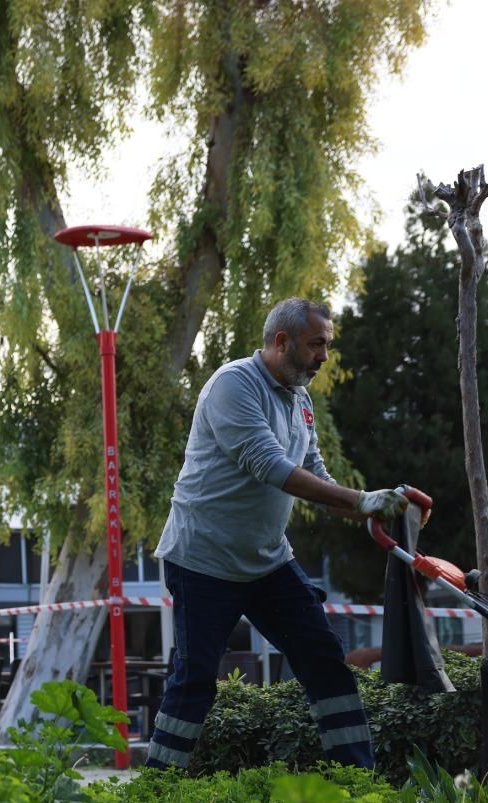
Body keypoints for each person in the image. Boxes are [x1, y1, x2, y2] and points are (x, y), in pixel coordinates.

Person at [144, 297, 410, 773]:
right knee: (197, 679)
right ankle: (156, 785)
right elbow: (271, 466)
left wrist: (380, 508)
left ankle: (358, 780)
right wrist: (361, 499)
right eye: (317, 345)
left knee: (325, 660)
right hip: (203, 562)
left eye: (327, 345)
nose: (324, 357)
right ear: (281, 342)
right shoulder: (233, 386)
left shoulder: (300, 400)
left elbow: (316, 477)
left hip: (267, 562)